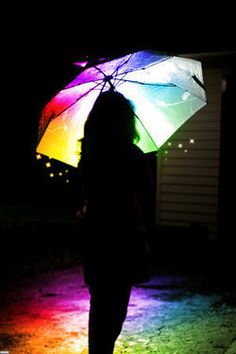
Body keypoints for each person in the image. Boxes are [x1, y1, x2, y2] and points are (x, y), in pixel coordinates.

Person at [76, 89, 155, 354]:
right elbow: (143, 187)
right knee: (114, 309)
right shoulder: (128, 154)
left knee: (100, 305)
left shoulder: (89, 152)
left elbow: (84, 191)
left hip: (95, 235)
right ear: (123, 119)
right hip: (122, 236)